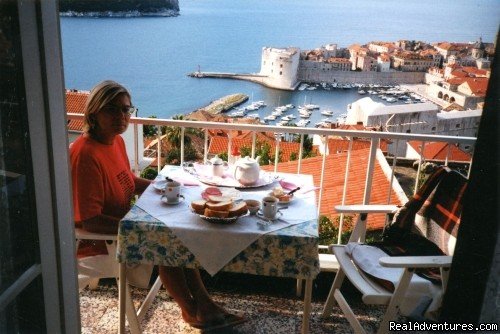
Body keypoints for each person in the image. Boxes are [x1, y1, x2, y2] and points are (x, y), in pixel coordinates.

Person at [70, 80, 245, 330]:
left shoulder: (115, 141)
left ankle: (204, 305)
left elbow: (127, 180)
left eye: (125, 109)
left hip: (122, 224)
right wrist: (142, 228)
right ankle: (192, 309)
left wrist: (166, 185)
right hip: (96, 242)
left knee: (175, 232)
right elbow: (90, 220)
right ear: (93, 113)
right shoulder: (86, 155)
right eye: (111, 109)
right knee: (167, 239)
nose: (121, 116)